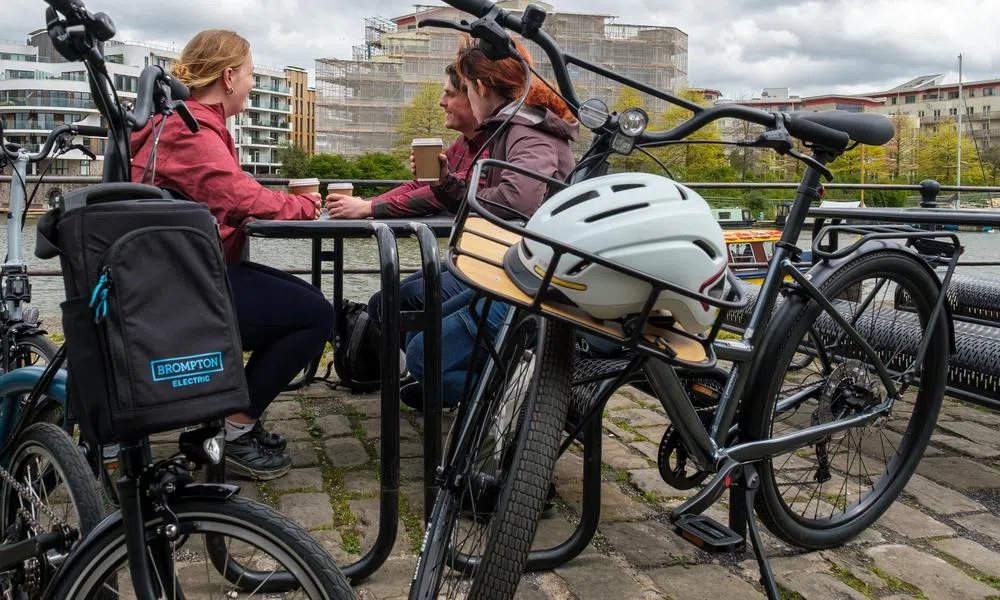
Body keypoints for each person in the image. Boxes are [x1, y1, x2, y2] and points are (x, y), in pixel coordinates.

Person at [130, 29, 334, 480]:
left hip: (177, 275)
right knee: (314, 315)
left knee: (302, 302)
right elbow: (240, 197)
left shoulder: (177, 121)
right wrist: (305, 207)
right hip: (185, 287)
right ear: (227, 77)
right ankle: (235, 430)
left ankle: (226, 413)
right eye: (249, 74)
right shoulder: (192, 127)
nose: (252, 83)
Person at [402, 36, 579, 409]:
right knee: (420, 330)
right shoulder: (513, 125)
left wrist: (455, 187)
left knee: (422, 354)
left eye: (465, 87)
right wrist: (447, 184)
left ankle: (532, 403)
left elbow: (518, 202)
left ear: (481, 86)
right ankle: (494, 390)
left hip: (534, 282)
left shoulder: (526, 130)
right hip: (520, 268)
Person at [324, 65, 484, 219]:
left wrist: (368, 208)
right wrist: (367, 204)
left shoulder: (491, 146)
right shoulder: (463, 142)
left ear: (474, 95)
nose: (441, 102)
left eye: (450, 94)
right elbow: (424, 185)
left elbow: (439, 195)